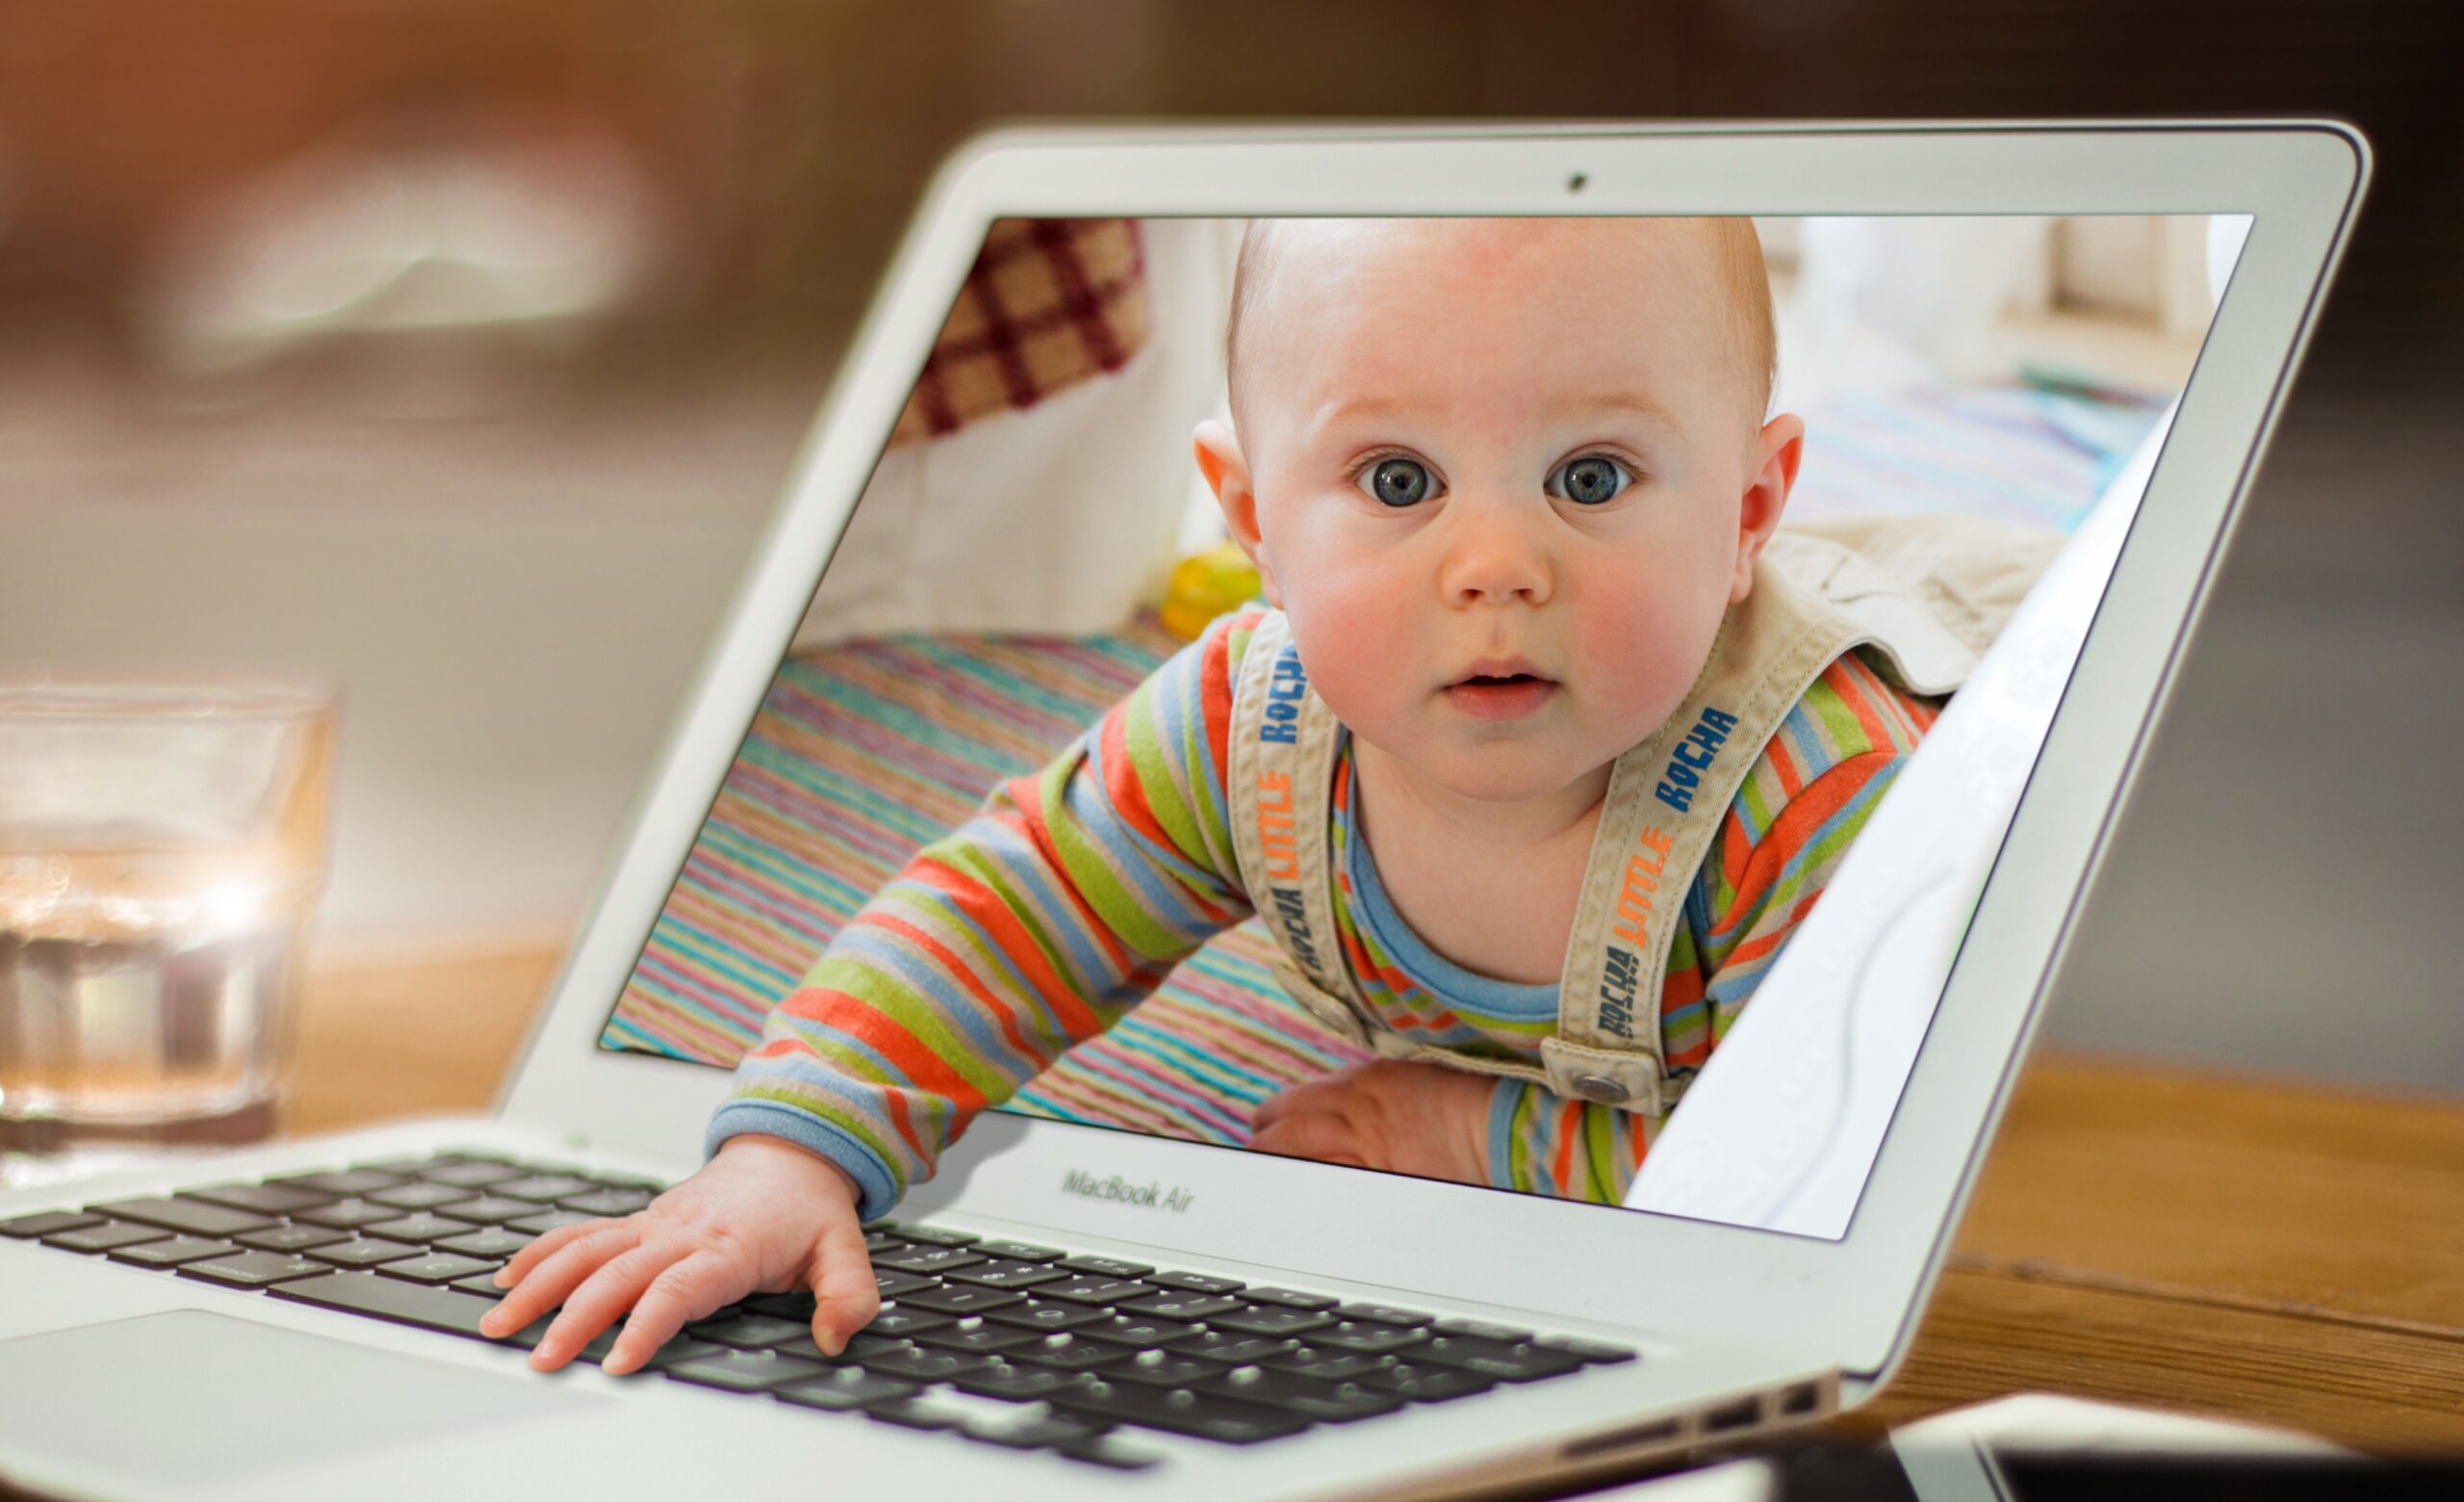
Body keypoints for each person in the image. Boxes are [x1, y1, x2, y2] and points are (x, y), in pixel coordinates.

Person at [481, 216, 1939, 1376]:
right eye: (1396, 478)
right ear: (1251, 523)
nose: (1496, 563)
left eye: (1594, 476)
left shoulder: (1822, 802)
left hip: (1924, 668)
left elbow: (1800, 1176)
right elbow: (1008, 908)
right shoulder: (1257, 713)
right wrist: (792, 1148)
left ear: (1749, 511)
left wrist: (1456, 1137)